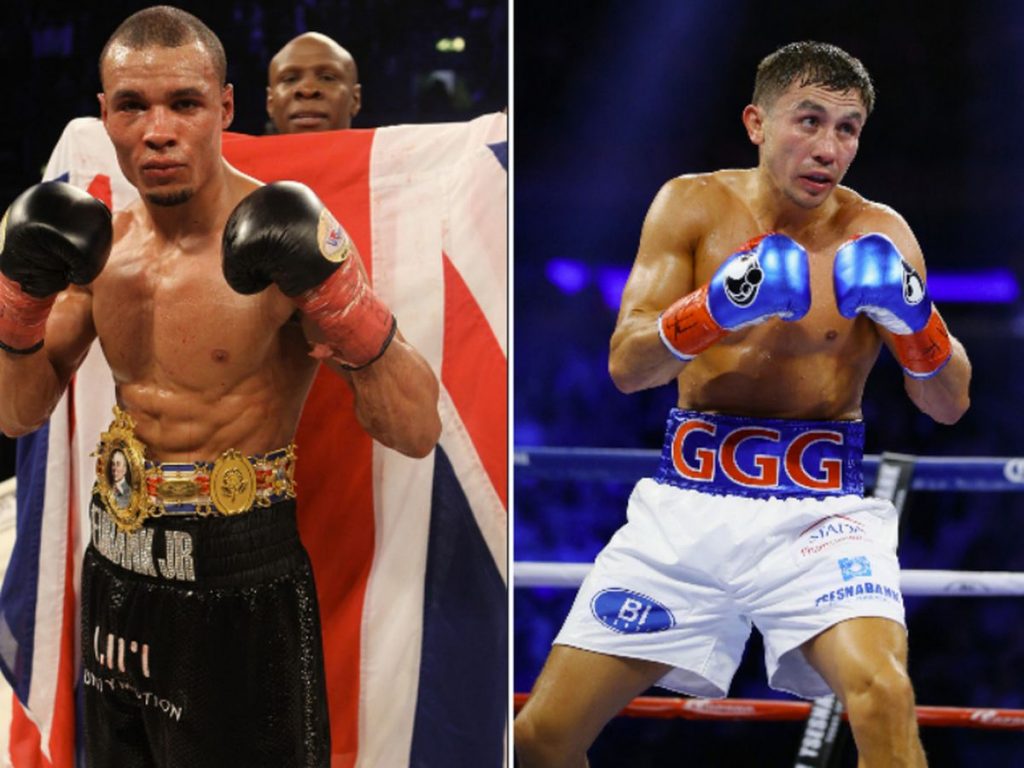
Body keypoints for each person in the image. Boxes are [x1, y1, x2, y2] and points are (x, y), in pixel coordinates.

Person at [0, 6, 440, 767]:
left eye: (184, 104)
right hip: (116, 571)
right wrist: (16, 307)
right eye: (133, 106)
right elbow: (17, 414)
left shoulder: (284, 236)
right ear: (104, 113)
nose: (157, 130)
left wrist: (343, 306)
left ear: (225, 109)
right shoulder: (98, 245)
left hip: (242, 577)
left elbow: (416, 429)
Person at [514, 41, 971, 768]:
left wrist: (918, 322)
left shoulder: (879, 234)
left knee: (881, 695)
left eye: (847, 129)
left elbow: (948, 404)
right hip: (686, 507)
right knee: (540, 737)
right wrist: (715, 308)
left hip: (819, 518)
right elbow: (628, 368)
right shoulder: (691, 205)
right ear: (757, 122)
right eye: (809, 120)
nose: (828, 147)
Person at [267, 32, 362, 134]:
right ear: (270, 103)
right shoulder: (248, 150)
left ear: (355, 99)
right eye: (290, 79)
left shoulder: (380, 148)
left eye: (327, 78)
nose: (307, 90)